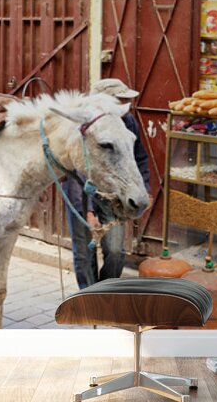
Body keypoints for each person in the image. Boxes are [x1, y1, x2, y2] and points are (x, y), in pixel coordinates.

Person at [62, 78, 152, 289]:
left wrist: (144, 188)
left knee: (115, 251)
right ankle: (88, 296)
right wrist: (89, 212)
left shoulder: (128, 122)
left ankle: (105, 291)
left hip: (112, 196)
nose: (123, 105)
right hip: (82, 193)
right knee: (84, 252)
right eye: (119, 100)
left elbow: (138, 157)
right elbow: (78, 173)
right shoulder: (83, 126)